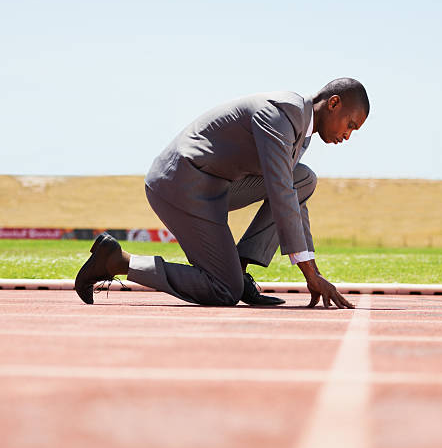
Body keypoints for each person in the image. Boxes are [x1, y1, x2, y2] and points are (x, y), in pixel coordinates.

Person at [75, 78, 369, 308]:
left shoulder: (300, 131)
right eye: (350, 125)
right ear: (333, 103)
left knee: (303, 178)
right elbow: (281, 193)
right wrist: (311, 275)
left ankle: (239, 270)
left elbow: (291, 195)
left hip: (213, 185)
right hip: (181, 184)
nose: (348, 135)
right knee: (224, 290)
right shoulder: (282, 115)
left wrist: (312, 268)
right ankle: (118, 261)